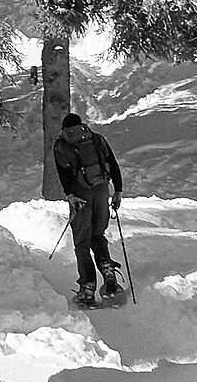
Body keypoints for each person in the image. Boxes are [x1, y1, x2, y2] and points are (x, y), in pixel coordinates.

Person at [52, 112, 124, 306]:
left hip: (80, 195)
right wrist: (117, 191)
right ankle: (108, 271)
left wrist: (70, 195)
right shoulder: (96, 139)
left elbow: (63, 174)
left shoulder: (62, 145)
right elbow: (113, 165)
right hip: (101, 191)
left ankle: (88, 288)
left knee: (82, 242)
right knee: (98, 235)